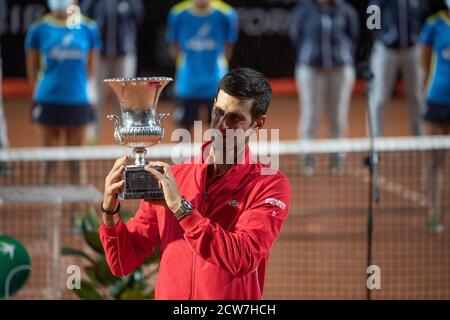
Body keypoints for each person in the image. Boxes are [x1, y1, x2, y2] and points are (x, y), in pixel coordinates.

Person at [99, 68, 291, 300]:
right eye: (218, 112)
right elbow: (123, 262)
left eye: (234, 119)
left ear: (257, 124)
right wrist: (110, 212)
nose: (220, 126)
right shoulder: (175, 178)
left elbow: (242, 258)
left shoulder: (269, 185)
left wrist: (182, 210)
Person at [25, 0, 101, 183]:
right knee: (49, 162)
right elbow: (32, 69)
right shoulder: (38, 28)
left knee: (76, 163)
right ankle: (49, 211)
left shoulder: (88, 27)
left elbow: (91, 70)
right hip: (48, 100)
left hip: (78, 101)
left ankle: (78, 212)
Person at [289, 0, 359, 176]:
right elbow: (296, 35)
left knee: (338, 115)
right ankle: (307, 159)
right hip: (310, 70)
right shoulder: (304, 10)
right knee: (311, 114)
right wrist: (312, 54)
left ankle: (338, 159)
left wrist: (340, 55)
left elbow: (353, 36)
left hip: (341, 70)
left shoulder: (345, 11)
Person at [166, 0, 238, 135]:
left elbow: (228, 48)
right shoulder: (177, 14)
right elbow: (174, 47)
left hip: (216, 84)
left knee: (220, 131)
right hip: (187, 85)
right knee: (182, 132)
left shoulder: (227, 14)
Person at [80, 0, 144, 142]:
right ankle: (93, 138)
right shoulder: (92, 2)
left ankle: (127, 137)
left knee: (126, 100)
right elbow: (84, 22)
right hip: (98, 56)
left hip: (124, 55)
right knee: (95, 98)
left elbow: (138, 19)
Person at [368, 0, 429, 137]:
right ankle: (375, 142)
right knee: (379, 97)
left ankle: (419, 138)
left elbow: (424, 16)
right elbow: (372, 18)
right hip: (386, 50)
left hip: (413, 50)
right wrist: (381, 37)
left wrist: (417, 35)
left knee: (417, 96)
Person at [419, 3, 450, 234]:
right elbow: (423, 63)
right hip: (437, 101)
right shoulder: (434, 24)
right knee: (433, 162)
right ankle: (433, 212)